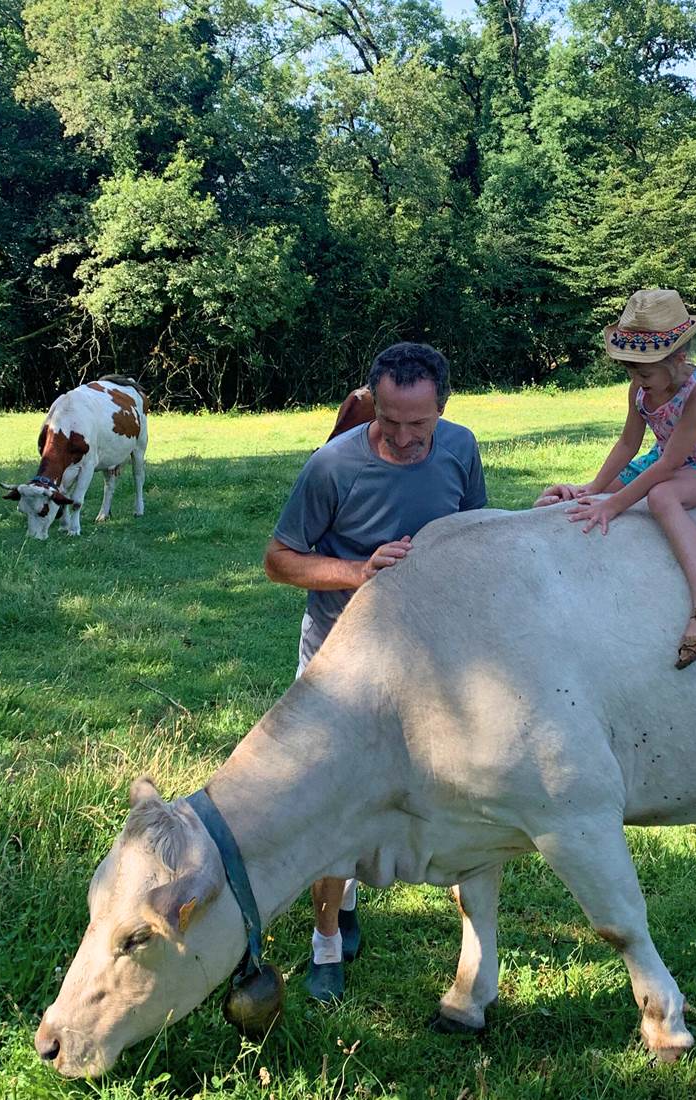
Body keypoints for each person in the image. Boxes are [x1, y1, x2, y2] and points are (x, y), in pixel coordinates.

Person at [263, 342, 488, 1001]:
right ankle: (327, 945)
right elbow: (279, 559)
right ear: (372, 403)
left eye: (418, 423)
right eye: (389, 419)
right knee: (330, 801)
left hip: (431, 660)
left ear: (441, 411)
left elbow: (472, 531)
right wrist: (359, 572)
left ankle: (473, 951)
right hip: (342, 660)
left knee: (439, 793)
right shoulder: (332, 467)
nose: (402, 436)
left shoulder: (459, 448)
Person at [536, 289, 696, 669]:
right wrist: (596, 490)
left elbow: (668, 467)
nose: (636, 378)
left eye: (643, 371)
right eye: (630, 370)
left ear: (678, 358)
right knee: (592, 497)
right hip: (666, 455)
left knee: (662, 497)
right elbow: (629, 442)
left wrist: (614, 505)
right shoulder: (641, 388)